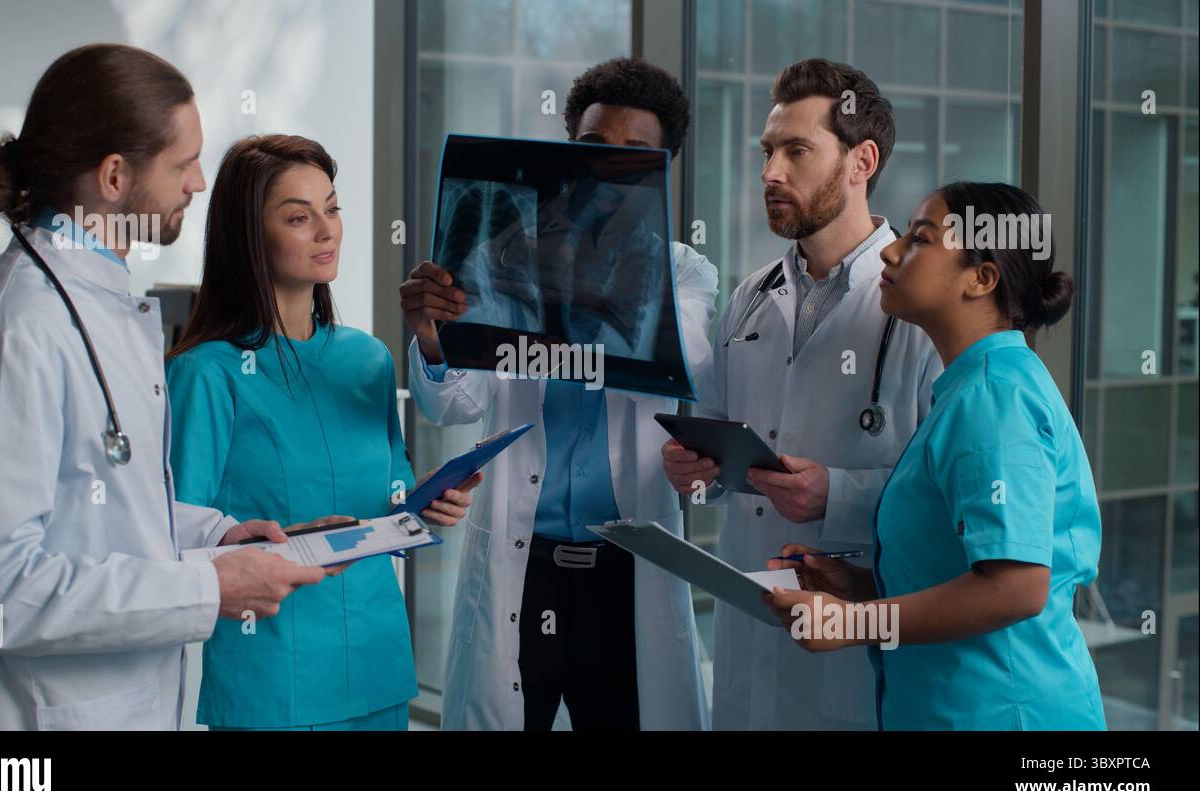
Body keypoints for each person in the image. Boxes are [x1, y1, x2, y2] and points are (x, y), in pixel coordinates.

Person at [0, 44, 329, 731]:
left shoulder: (99, 304)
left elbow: (98, 512)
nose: (199, 182)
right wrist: (206, 586)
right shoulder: (17, 331)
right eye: (183, 163)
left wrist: (219, 537)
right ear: (114, 176)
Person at [401, 57, 718, 730]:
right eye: (593, 147)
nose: (606, 169)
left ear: (662, 169)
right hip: (526, 563)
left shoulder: (684, 272)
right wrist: (432, 333)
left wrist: (577, 268)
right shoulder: (502, 259)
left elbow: (678, 356)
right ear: (567, 150)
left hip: (625, 575)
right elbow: (452, 403)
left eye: (633, 155)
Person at [660, 58, 941, 730]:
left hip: (856, 653)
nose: (770, 173)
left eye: (796, 151)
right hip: (749, 638)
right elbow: (718, 440)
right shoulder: (749, 297)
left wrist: (836, 494)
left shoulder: (921, 306)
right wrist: (695, 471)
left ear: (861, 161)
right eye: (767, 152)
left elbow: (943, 494)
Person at [166, 134, 480, 731]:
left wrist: (429, 503)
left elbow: (390, 501)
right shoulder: (205, 374)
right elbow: (174, 537)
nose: (326, 230)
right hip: (273, 682)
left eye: (331, 209)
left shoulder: (368, 359)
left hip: (378, 665)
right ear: (249, 235)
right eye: (298, 217)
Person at [767, 182, 1106, 730]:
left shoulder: (994, 398)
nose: (891, 250)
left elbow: (1015, 588)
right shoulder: (971, 388)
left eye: (921, 239)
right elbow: (965, 567)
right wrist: (861, 585)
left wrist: (855, 622)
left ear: (981, 279)